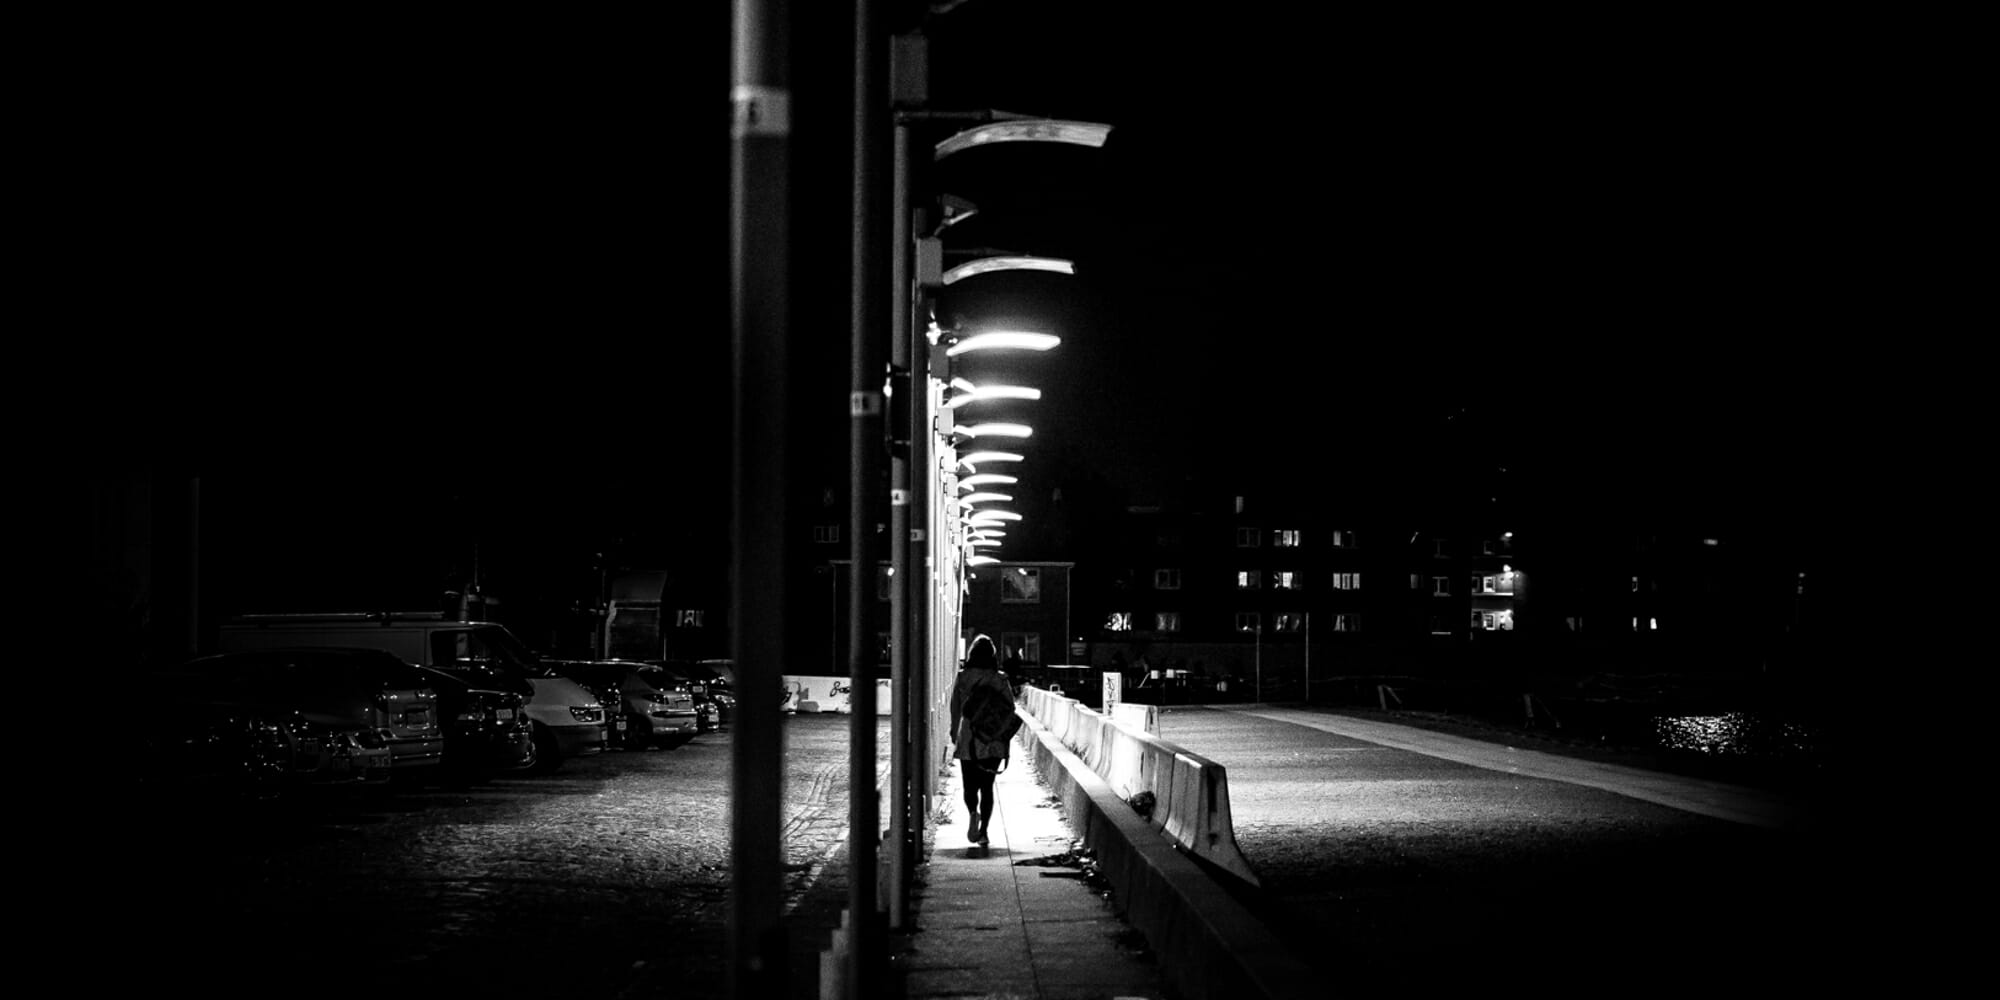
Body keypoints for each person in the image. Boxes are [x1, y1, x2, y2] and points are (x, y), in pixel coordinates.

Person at [950, 633, 1017, 845]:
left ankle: (972, 813)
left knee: (969, 786)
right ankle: (985, 833)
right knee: (987, 787)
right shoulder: (1000, 679)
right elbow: (1010, 709)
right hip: (993, 740)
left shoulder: (963, 678)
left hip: (969, 738)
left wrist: (954, 732)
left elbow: (955, 709)